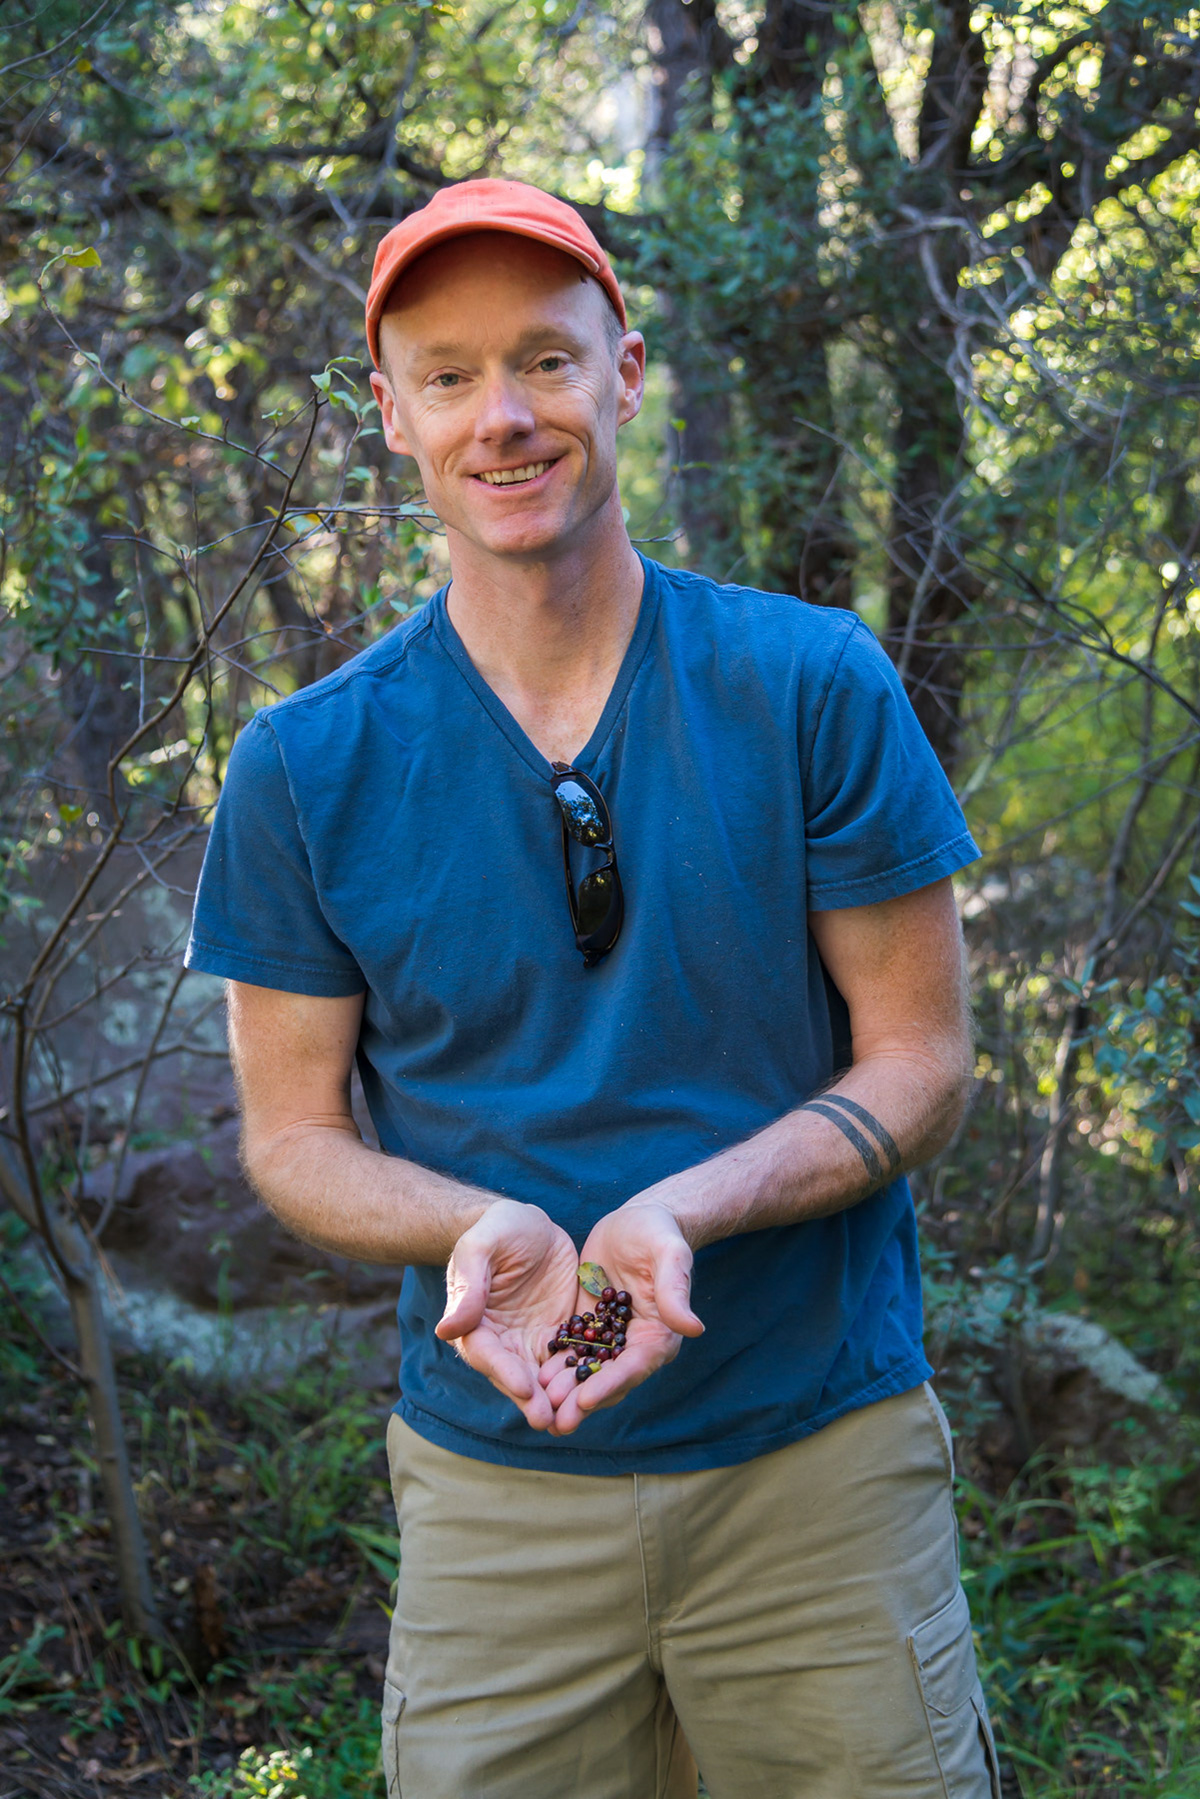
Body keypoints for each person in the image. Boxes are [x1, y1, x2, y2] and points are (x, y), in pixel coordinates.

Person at [186, 178, 1000, 1799]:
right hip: (499, 1495)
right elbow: (291, 1139)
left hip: (816, 1460)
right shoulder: (305, 766)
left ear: (625, 372)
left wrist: (688, 1206)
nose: (505, 416)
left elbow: (922, 1060)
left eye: (548, 362)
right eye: (451, 374)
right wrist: (473, 1230)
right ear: (392, 413)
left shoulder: (807, 684)